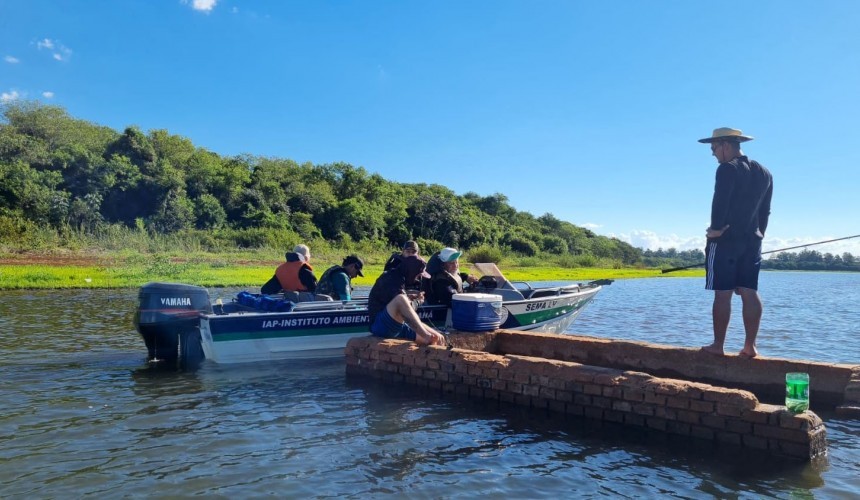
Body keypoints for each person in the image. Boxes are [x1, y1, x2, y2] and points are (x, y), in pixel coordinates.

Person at [697, 127, 773, 359]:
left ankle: (718, 346)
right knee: (749, 291)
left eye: (713, 148)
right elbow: (765, 211)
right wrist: (759, 234)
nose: (713, 154)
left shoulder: (726, 169)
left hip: (726, 241)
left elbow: (719, 202)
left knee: (723, 293)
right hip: (753, 240)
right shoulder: (764, 172)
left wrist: (715, 231)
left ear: (725, 145)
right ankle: (750, 347)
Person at [367, 254, 447, 346]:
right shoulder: (391, 277)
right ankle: (425, 335)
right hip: (379, 325)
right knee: (401, 299)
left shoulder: (401, 278)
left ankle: (429, 338)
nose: (418, 279)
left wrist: (435, 333)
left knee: (436, 338)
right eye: (418, 275)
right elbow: (402, 304)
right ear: (413, 271)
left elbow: (409, 316)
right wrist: (418, 301)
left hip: (396, 325)